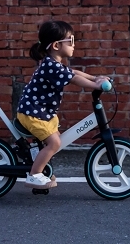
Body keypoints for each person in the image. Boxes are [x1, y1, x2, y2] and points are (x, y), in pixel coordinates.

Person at [16, 19, 110, 188]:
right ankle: (34, 174)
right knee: (54, 143)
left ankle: (40, 165)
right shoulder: (50, 66)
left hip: (42, 112)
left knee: (56, 139)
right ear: (56, 46)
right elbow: (73, 79)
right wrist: (95, 85)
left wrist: (95, 78)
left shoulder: (55, 64)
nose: (74, 44)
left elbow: (73, 72)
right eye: (71, 40)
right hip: (33, 113)